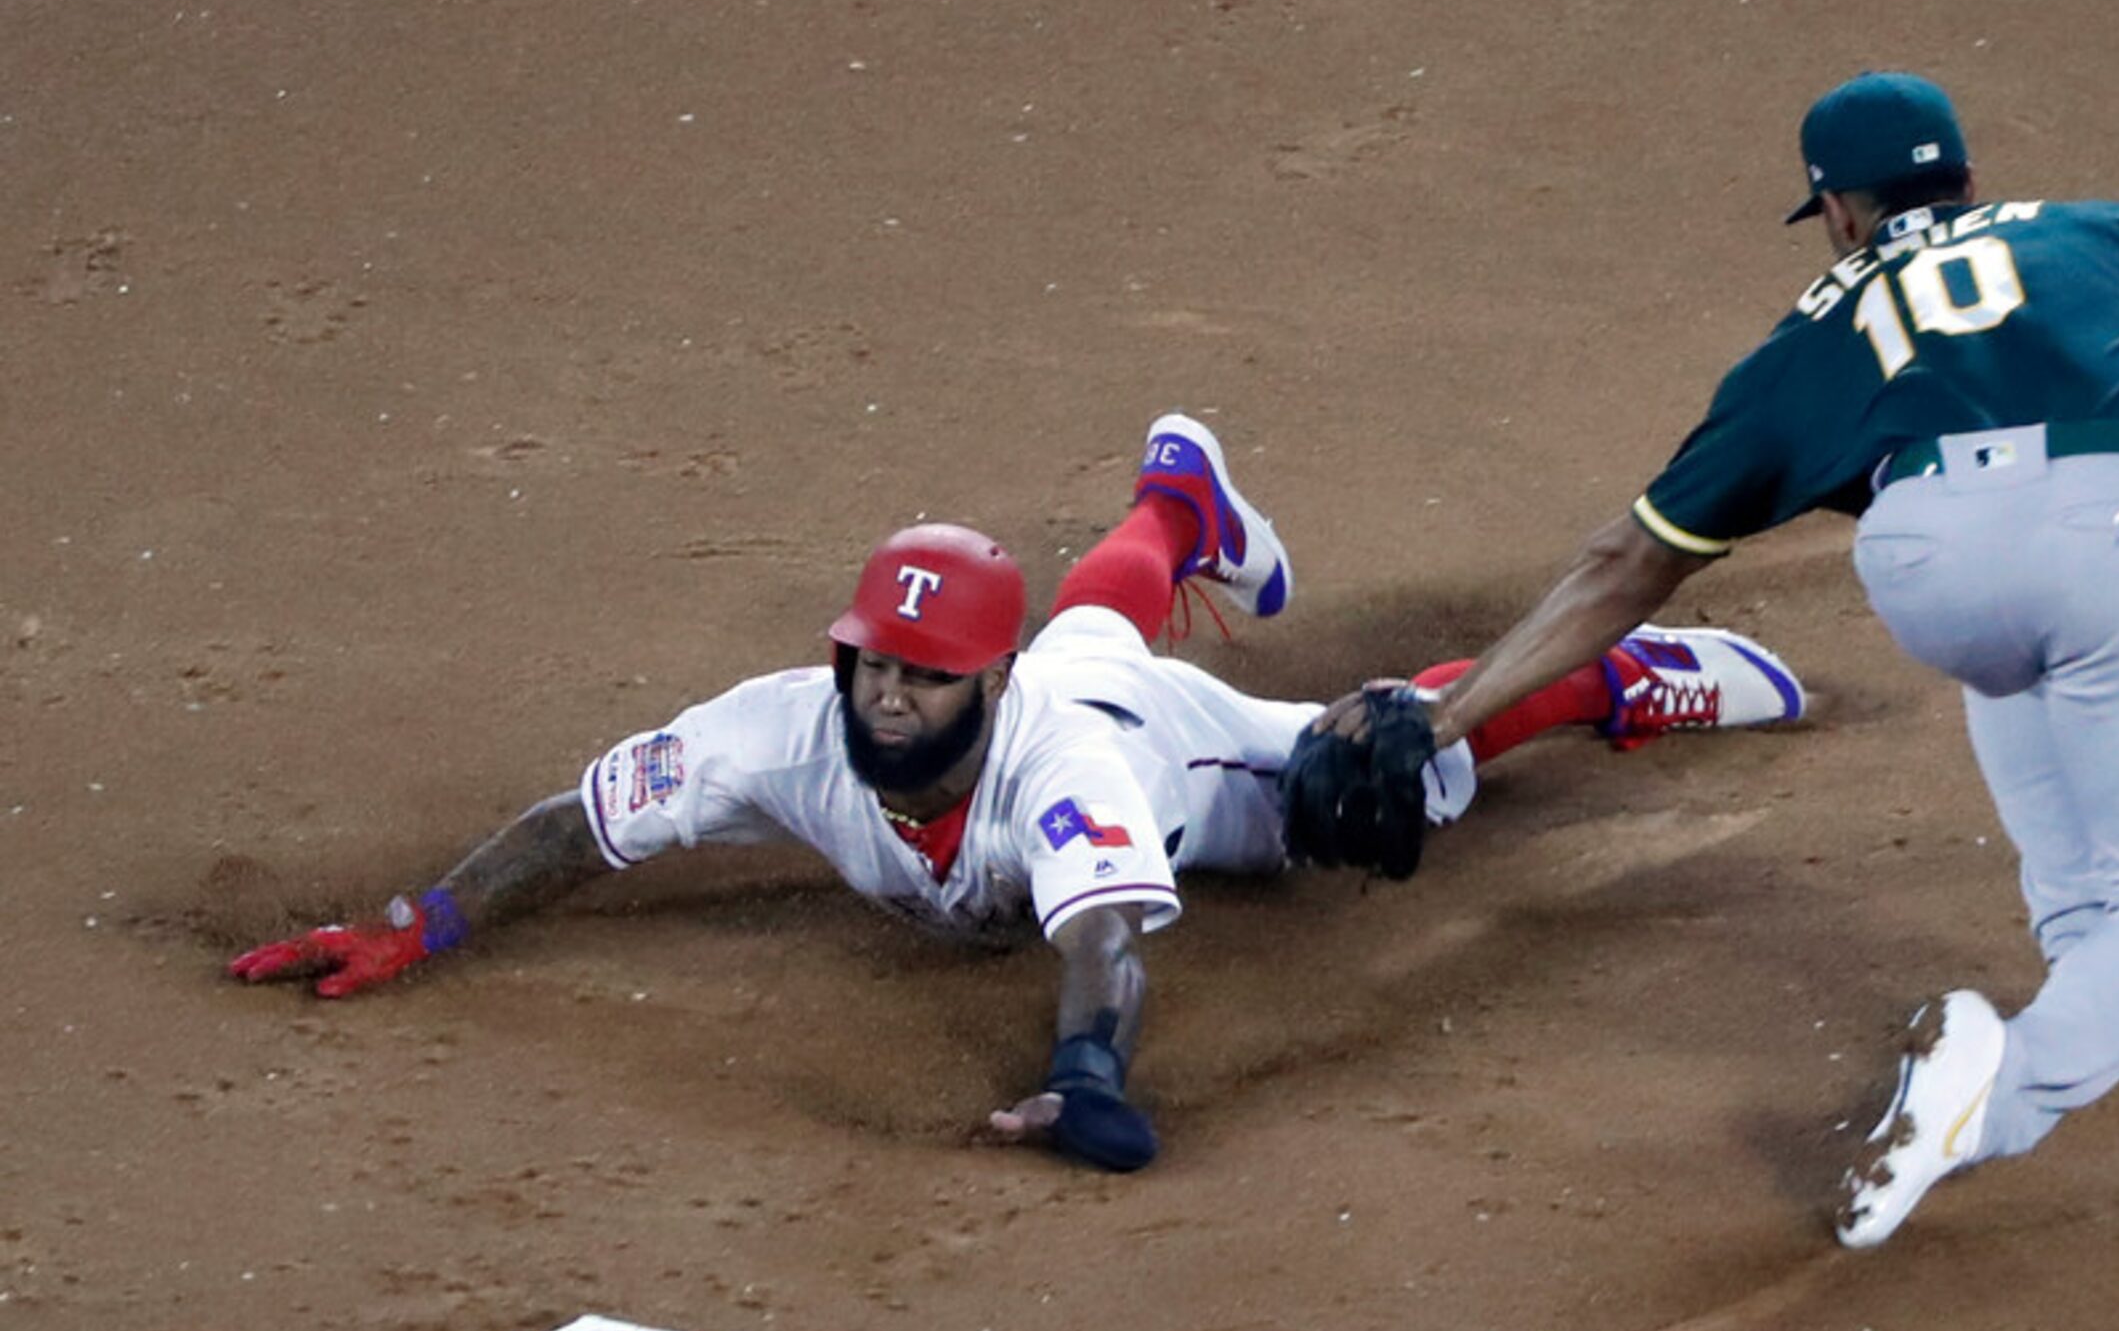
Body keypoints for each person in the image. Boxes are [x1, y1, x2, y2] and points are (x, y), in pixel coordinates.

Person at [1328, 72, 2119, 1247]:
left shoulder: (1805, 339)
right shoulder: (2093, 232)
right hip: (2110, 528)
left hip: (1929, 567)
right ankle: (1990, 1097)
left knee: (2043, 719)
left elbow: (1626, 563)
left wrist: (1442, 720)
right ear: (1965, 178)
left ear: (1840, 213)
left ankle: (2094, 990)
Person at [230, 413, 1809, 1171]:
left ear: (982, 686)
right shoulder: (777, 730)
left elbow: (1109, 935)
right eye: (872, 663)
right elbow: (585, 820)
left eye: (922, 677)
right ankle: (1174, 501)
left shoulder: (1063, 764)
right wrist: (419, 922)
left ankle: (1615, 680)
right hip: (1076, 657)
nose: (887, 693)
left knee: (1377, 779)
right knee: (1098, 609)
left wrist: (1090, 1075)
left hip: (1170, 744)